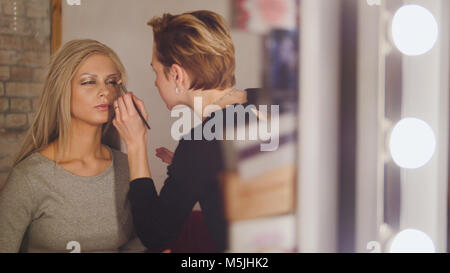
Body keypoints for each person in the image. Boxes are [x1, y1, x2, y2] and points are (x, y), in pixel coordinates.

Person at [112, 10, 252, 252]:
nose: (156, 81)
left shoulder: (200, 145)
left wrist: (135, 142)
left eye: (156, 71)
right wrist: (196, 166)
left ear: (176, 74)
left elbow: (156, 235)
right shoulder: (272, 99)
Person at [0, 39, 144, 253]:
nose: (104, 91)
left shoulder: (127, 167)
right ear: (61, 91)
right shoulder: (29, 178)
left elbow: (139, 243)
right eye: (88, 82)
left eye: (112, 82)